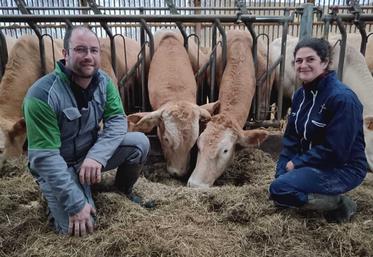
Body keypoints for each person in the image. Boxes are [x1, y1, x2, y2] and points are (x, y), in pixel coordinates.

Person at [23, 26, 150, 236]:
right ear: (65, 54)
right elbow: (45, 157)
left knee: (140, 143)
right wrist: (74, 204)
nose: (88, 56)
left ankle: (121, 190)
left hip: (87, 155)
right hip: (58, 165)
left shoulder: (104, 83)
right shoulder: (42, 95)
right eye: (80, 50)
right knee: (80, 229)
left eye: (94, 50)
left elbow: (118, 120)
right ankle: (58, 194)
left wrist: (97, 156)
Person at [269, 37, 367, 223]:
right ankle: (302, 189)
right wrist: (283, 166)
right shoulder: (300, 96)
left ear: (325, 62)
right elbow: (291, 139)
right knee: (280, 186)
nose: (303, 65)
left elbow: (336, 150)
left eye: (310, 59)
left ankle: (339, 203)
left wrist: (296, 163)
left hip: (342, 167)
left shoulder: (342, 99)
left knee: (281, 190)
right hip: (313, 162)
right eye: (299, 61)